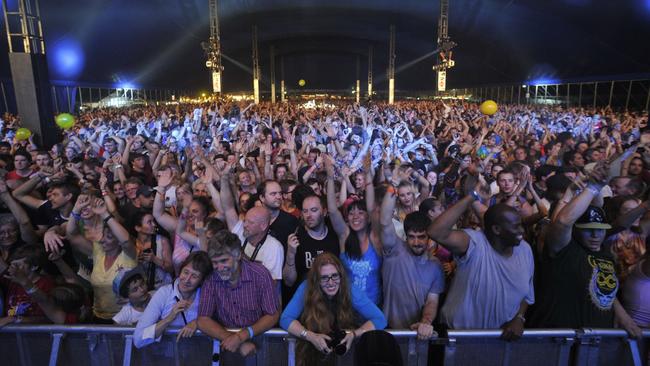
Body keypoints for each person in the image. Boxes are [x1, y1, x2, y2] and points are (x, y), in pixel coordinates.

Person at [531, 163, 642, 337]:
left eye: (600, 229)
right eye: (588, 229)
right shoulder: (564, 249)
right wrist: (592, 187)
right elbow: (561, 222)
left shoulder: (605, 255)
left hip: (597, 338)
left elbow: (601, 287)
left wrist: (623, 316)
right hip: (561, 339)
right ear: (576, 230)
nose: (595, 234)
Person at [428, 188, 534, 340]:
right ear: (496, 229)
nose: (522, 231)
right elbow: (435, 232)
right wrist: (472, 196)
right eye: (516, 226)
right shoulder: (474, 243)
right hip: (459, 338)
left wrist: (519, 318)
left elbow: (527, 295)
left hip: (500, 340)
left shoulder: (525, 250)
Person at [280, 253, 386, 366]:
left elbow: (380, 319)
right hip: (311, 351)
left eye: (335, 276)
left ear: (341, 276)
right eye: (324, 278)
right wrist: (311, 336)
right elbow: (285, 319)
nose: (331, 283)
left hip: (344, 353)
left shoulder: (349, 289)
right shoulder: (307, 288)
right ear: (316, 280)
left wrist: (354, 335)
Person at [197, 231, 280, 359]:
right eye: (215, 262)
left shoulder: (260, 274)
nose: (219, 267)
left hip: (260, 344)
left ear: (239, 255)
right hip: (225, 346)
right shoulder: (210, 279)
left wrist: (242, 336)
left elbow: (273, 315)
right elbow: (203, 320)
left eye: (224, 260)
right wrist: (233, 339)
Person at [380, 186, 445, 338]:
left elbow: (432, 302)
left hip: (416, 332)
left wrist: (425, 322)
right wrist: (391, 189)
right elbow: (384, 221)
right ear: (405, 236)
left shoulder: (435, 266)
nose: (416, 242)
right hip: (387, 329)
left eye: (421, 236)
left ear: (429, 236)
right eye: (412, 236)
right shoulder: (394, 249)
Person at [66, 195, 137, 323]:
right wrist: (76, 209)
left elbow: (126, 240)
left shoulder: (128, 256)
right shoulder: (99, 252)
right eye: (104, 235)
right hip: (98, 315)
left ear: (118, 241)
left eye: (109, 237)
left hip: (125, 317)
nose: (103, 239)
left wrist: (104, 214)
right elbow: (71, 235)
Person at [133, 251, 212, 348]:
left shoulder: (207, 295)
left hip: (198, 354)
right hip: (168, 357)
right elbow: (138, 339)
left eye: (194, 276)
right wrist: (169, 318)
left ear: (202, 281)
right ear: (180, 271)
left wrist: (198, 322)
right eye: (186, 272)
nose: (187, 279)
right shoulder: (164, 294)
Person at [283, 194, 340, 288]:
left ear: (324, 212)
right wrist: (290, 253)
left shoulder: (335, 235)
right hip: (308, 297)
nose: (308, 215)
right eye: (305, 211)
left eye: (314, 210)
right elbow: (289, 281)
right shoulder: (296, 239)